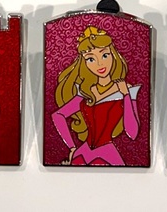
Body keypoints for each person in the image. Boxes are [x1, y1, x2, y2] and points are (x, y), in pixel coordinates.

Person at [52, 26, 140, 166]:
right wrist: (72, 147)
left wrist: (126, 96)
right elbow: (58, 116)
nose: (100, 64)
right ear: (84, 63)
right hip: (82, 153)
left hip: (107, 154)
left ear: (113, 55)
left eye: (105, 55)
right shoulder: (86, 92)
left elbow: (133, 132)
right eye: (91, 59)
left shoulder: (127, 91)